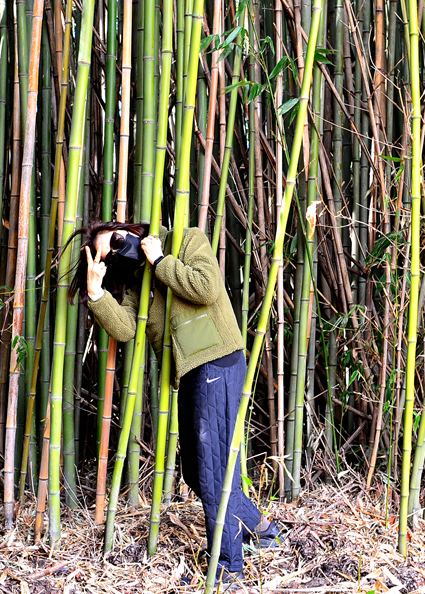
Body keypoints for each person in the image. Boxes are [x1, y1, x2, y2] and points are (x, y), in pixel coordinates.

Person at [69, 221, 280, 584]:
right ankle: (261, 530)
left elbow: (206, 288)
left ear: (129, 229)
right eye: (109, 257)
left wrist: (161, 261)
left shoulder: (185, 239)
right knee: (196, 472)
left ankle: (227, 567)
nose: (118, 253)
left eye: (116, 241)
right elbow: (126, 329)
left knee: (213, 471)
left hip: (216, 360)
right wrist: (95, 292)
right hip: (190, 372)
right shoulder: (138, 283)